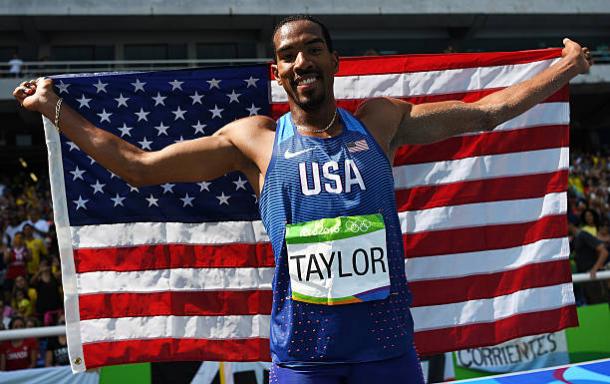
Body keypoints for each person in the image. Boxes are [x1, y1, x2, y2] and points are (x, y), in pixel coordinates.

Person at [13, 15, 592, 383]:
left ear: (334, 62)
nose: (301, 61)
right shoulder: (255, 140)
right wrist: (54, 110)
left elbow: (489, 112)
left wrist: (564, 68)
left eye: (313, 48)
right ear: (278, 72)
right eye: (290, 54)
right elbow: (139, 168)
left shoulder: (381, 122)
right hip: (303, 360)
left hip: (387, 353)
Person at [569, 222, 609, 304]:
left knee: (601, 305)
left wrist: (594, 269)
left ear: (569, 224)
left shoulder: (583, 235)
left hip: (594, 279)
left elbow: (604, 252)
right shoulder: (575, 239)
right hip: (586, 279)